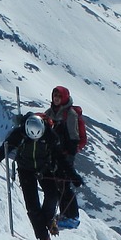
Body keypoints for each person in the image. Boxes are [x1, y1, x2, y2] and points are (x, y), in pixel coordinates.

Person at [0, 113, 79, 240]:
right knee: (32, 205)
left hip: (44, 168)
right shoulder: (19, 133)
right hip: (25, 169)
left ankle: (48, 219)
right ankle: (43, 237)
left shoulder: (49, 135)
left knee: (52, 195)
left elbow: (60, 158)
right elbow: (5, 148)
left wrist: (73, 177)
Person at [43, 85, 84, 227]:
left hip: (65, 155)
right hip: (54, 154)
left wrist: (69, 156)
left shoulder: (70, 114)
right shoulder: (49, 112)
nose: (56, 98)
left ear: (64, 97)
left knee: (64, 184)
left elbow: (74, 137)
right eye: (55, 96)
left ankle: (72, 216)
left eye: (59, 96)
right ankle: (65, 214)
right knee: (58, 184)